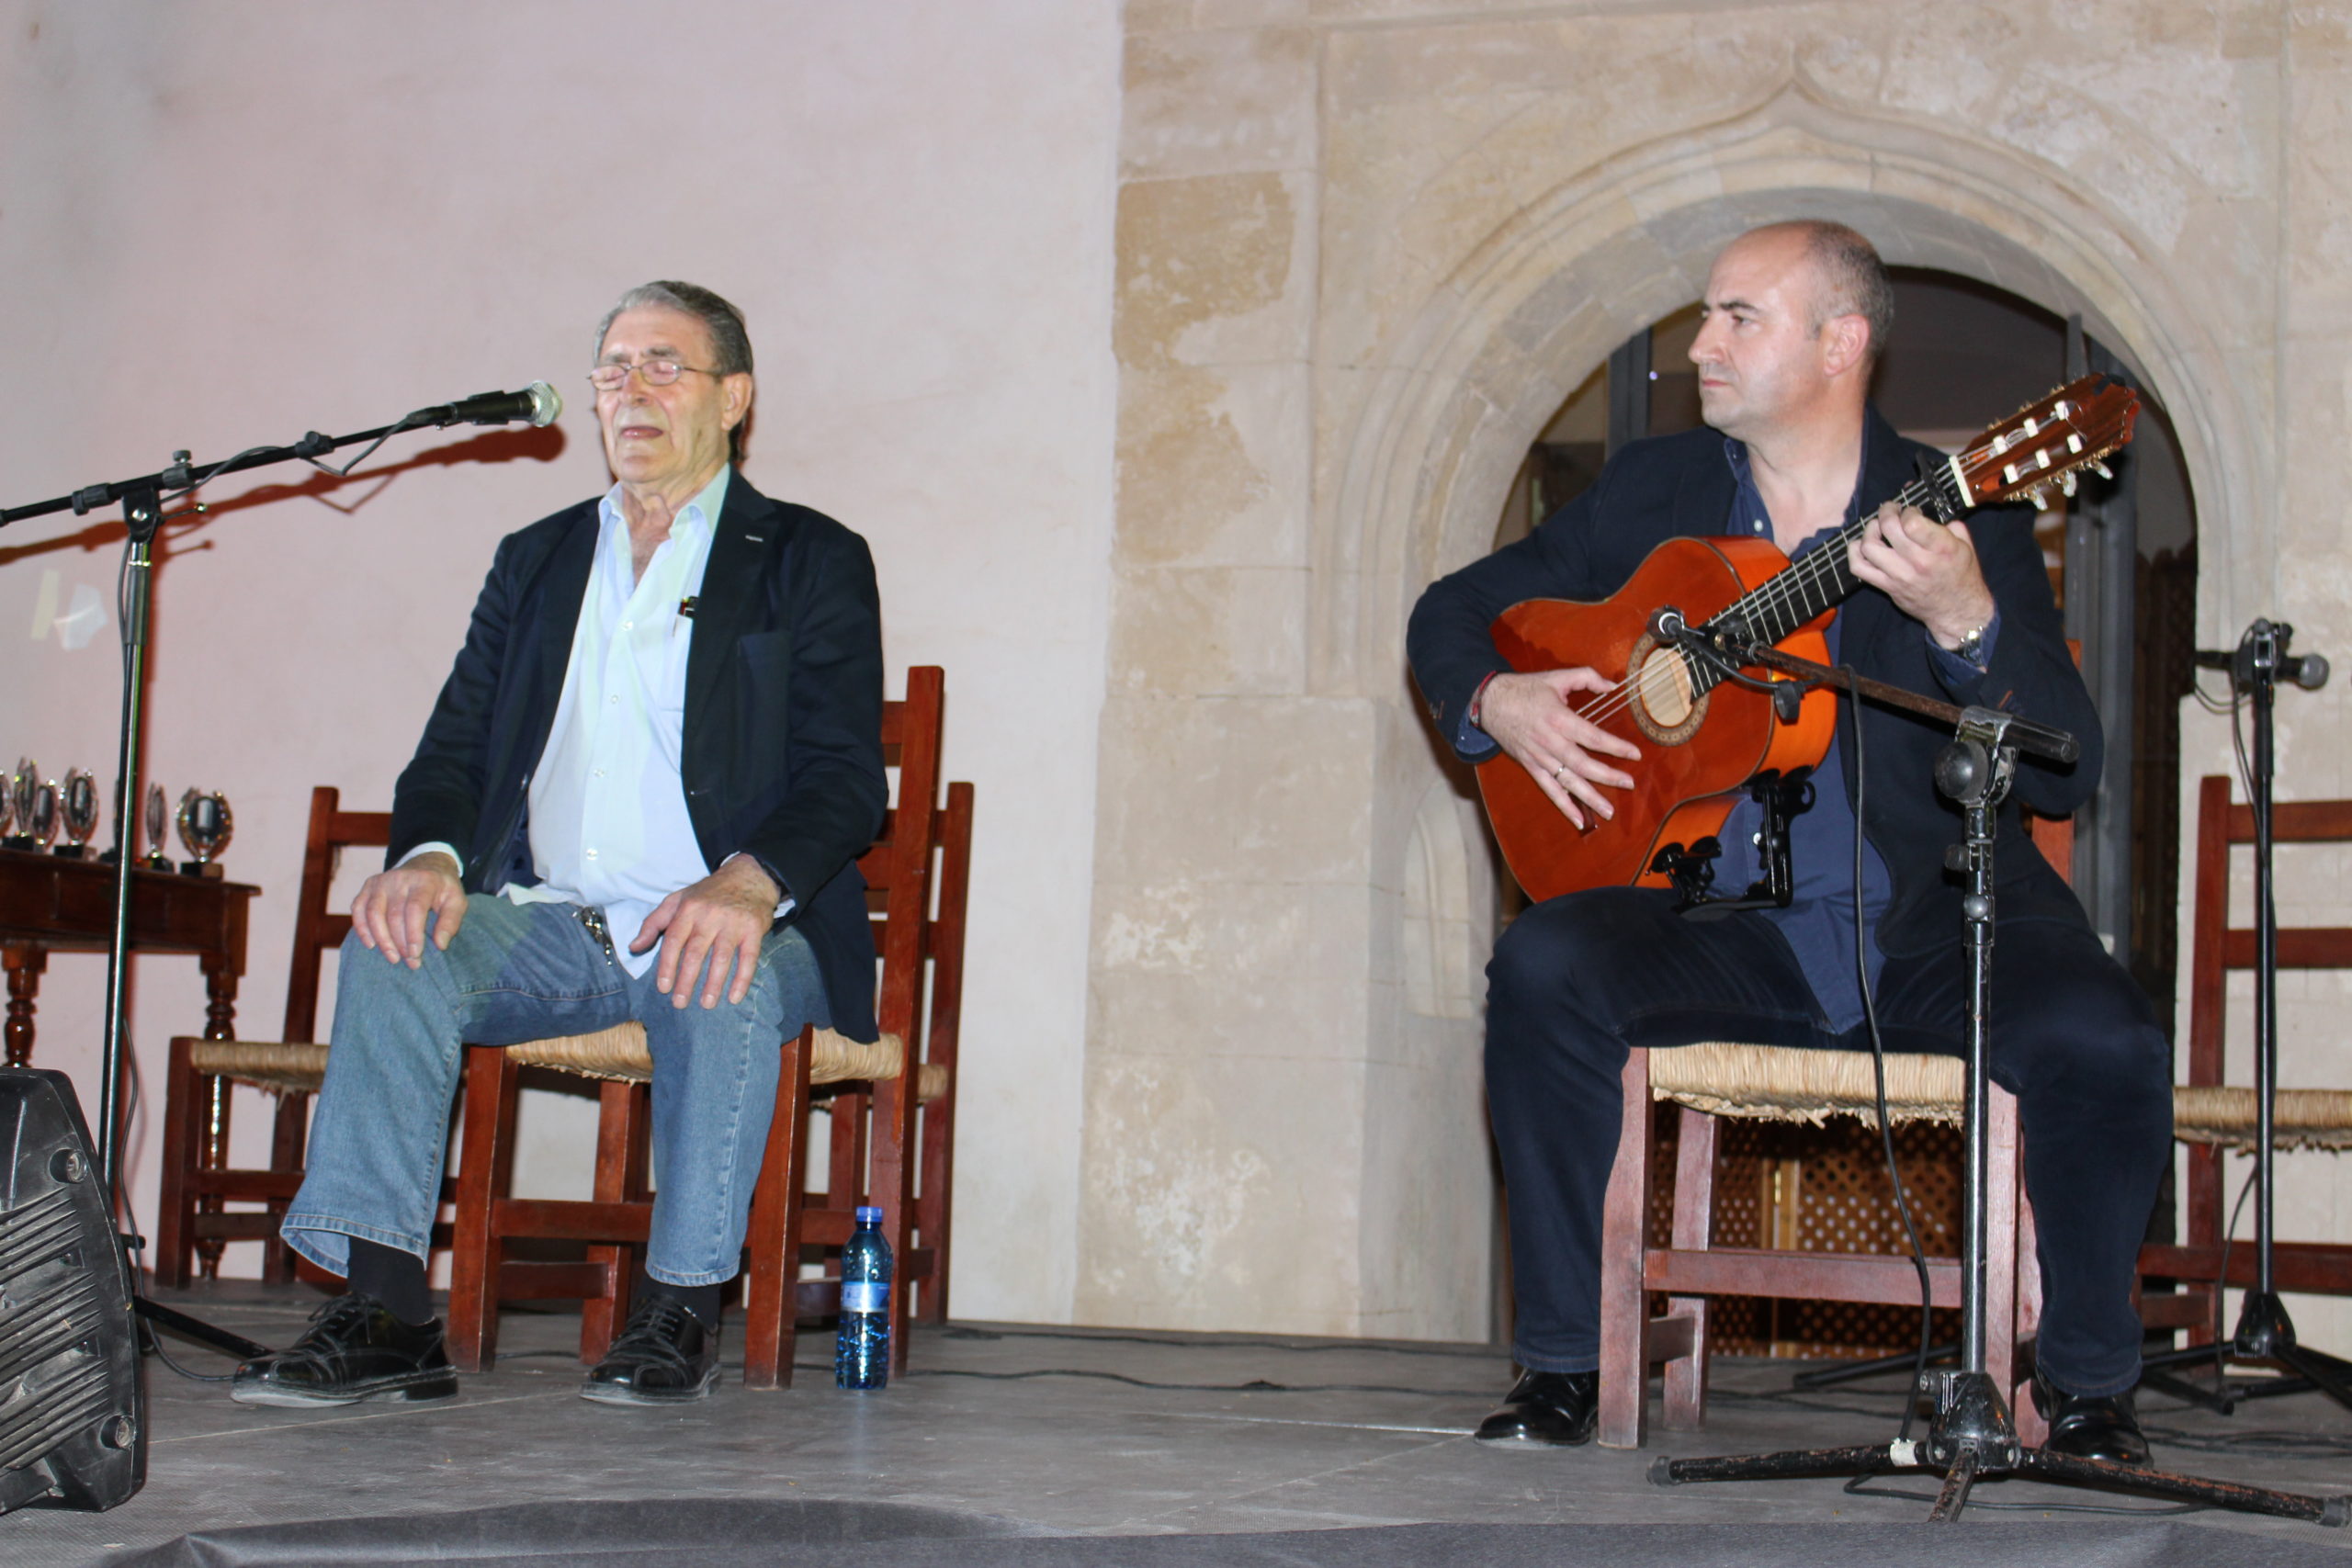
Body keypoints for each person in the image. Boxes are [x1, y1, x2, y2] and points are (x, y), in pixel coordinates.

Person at [1406, 222, 2172, 1462]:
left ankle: (2087, 1385)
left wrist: (1966, 617)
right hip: (1723, 915)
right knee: (1543, 963)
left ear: (1841, 341)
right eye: (1707, 315)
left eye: (1736, 317)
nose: (1699, 344)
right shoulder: (1657, 494)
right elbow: (1457, 609)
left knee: (2108, 1031)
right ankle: (1557, 1365)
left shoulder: (1952, 510)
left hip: (1932, 913)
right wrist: (1493, 701)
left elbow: (2061, 757)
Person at [232, 281, 886, 1408]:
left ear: (734, 398)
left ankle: (678, 1311)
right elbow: (450, 752)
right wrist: (431, 858)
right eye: (613, 369)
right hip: (558, 924)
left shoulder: (806, 558)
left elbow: (840, 780)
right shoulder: (536, 558)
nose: (632, 389)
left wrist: (747, 881)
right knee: (396, 942)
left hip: (737, 913)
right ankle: (387, 1309)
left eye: (664, 366)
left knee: (712, 971)